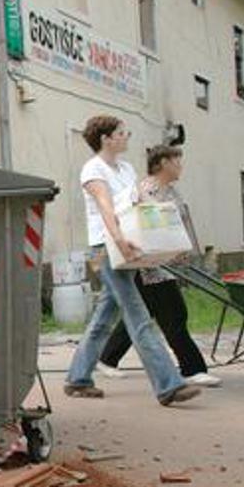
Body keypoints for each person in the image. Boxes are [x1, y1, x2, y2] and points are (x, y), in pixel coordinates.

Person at [63, 116, 201, 406]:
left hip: (129, 244)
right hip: (106, 247)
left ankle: (78, 378)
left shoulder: (126, 169)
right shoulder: (93, 169)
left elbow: (139, 206)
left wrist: (165, 239)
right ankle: (169, 385)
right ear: (106, 139)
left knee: (104, 317)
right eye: (121, 132)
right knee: (138, 314)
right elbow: (106, 208)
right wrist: (120, 241)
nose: (127, 136)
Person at [96, 146, 221, 387]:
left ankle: (106, 358)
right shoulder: (146, 190)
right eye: (177, 160)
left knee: (143, 314)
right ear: (163, 162)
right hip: (149, 266)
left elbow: (179, 224)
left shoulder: (171, 191)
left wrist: (184, 252)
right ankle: (192, 369)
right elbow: (141, 225)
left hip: (165, 263)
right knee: (174, 315)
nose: (181, 165)